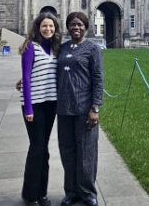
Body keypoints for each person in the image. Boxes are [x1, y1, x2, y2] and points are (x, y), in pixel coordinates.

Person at [56, 11, 103, 206]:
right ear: (68, 27)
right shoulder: (62, 48)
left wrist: (95, 108)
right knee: (67, 152)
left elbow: (98, 79)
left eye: (80, 24)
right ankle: (71, 192)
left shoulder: (92, 49)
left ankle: (88, 193)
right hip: (64, 108)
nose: (76, 27)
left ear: (86, 27)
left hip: (84, 108)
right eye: (72, 24)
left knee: (87, 152)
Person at [19, 12, 62, 206]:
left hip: (50, 104)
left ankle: (41, 193)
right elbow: (26, 77)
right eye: (44, 26)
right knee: (37, 149)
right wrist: (28, 109)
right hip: (34, 105)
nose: (48, 29)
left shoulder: (55, 48)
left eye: (51, 26)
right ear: (38, 27)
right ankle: (30, 195)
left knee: (43, 149)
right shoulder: (30, 46)